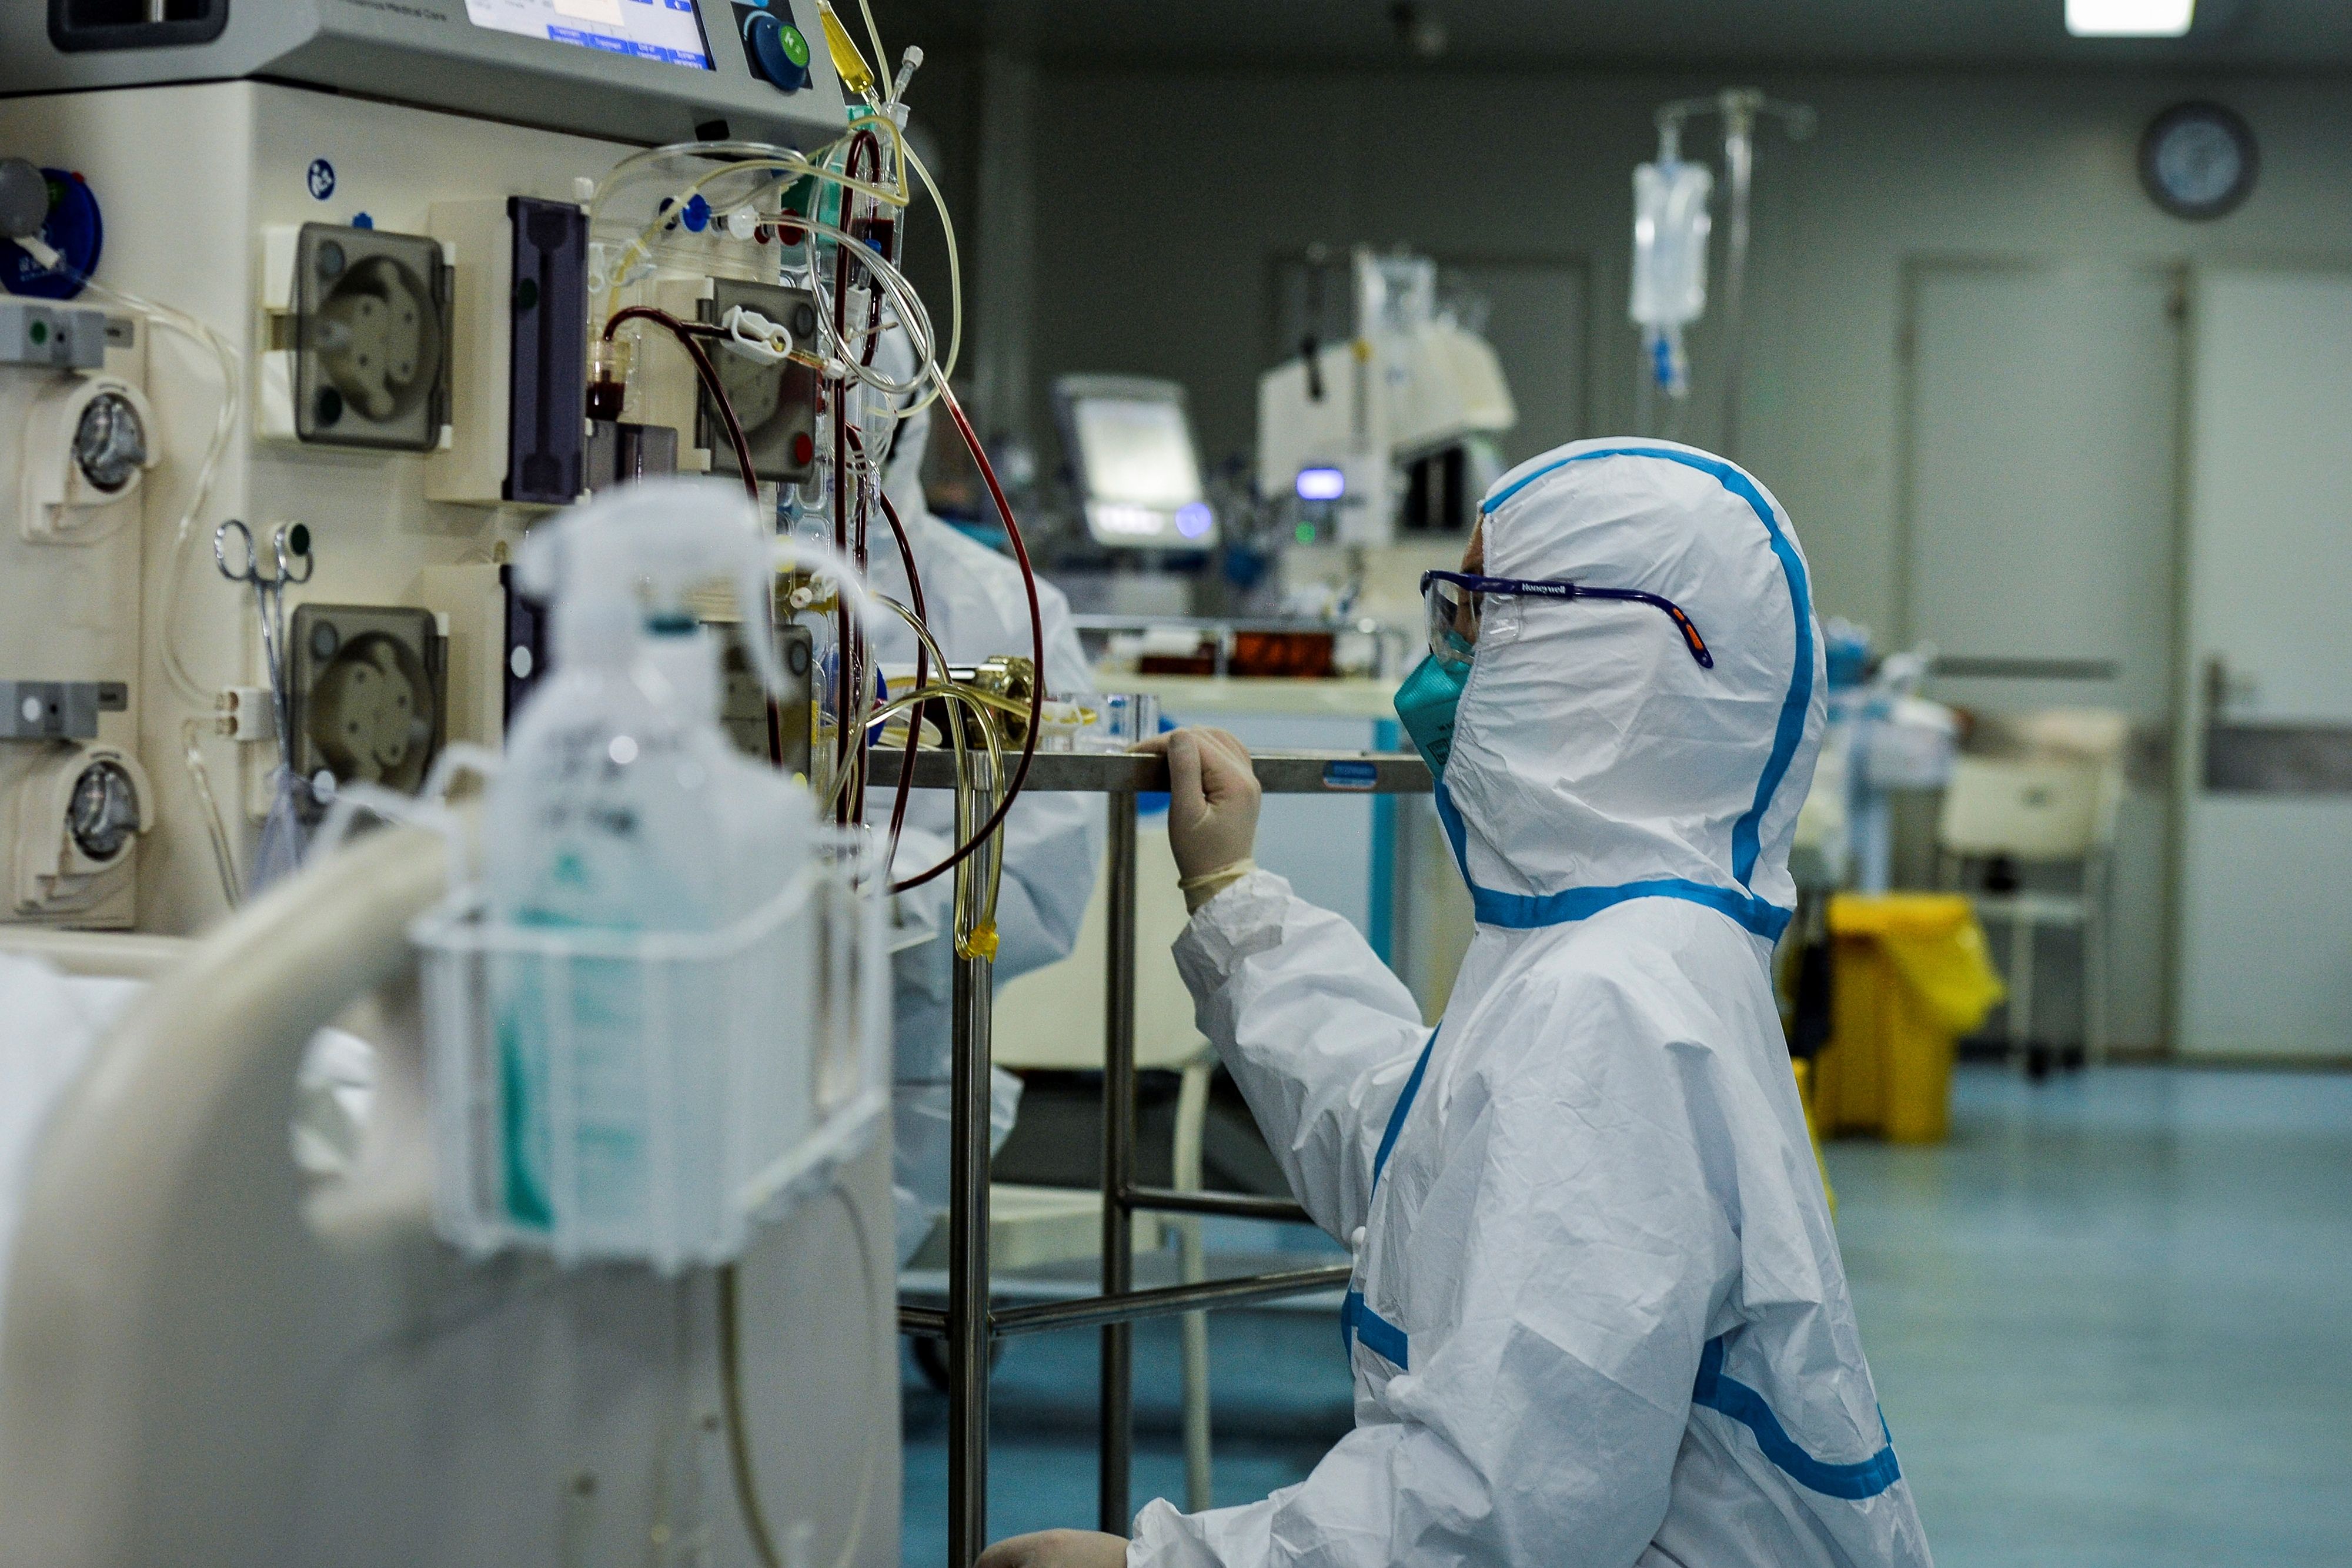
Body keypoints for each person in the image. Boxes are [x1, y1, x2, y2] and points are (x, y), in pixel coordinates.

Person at [980, 439, 1931, 1568]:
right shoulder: (1622, 947)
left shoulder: (1615, 1003)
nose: (1430, 679)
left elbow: (1497, 1518)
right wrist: (1232, 903)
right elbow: (1413, 1165)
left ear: (1605, 656)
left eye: (1474, 623)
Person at [865, 334, 1102, 1265]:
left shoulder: (1001, 610)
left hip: (898, 1039)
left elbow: (1044, 877)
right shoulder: (670, 577)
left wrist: (878, 911)